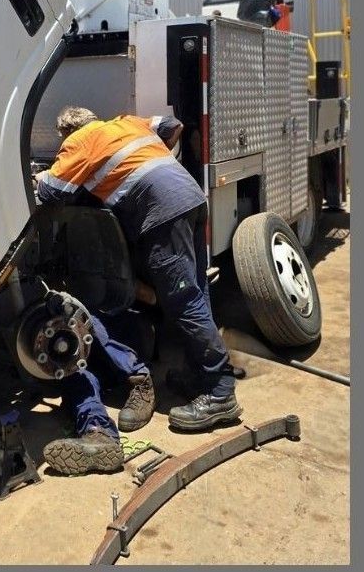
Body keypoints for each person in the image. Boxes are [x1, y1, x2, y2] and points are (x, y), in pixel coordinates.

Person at [37, 106, 242, 432]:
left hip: (160, 209)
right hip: (189, 195)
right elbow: (174, 125)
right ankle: (201, 375)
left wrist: (38, 176)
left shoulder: (79, 142)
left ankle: (220, 393)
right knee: (197, 294)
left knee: (183, 301)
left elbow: (50, 191)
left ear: (67, 132)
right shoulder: (127, 122)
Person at [41, 306, 155, 476]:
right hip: (90, 360)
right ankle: (99, 432)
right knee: (77, 376)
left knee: (91, 321)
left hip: (123, 347)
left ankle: (142, 381)